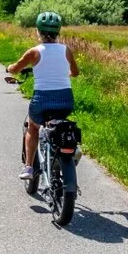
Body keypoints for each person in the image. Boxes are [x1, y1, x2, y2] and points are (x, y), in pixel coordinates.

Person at [6, 11, 79, 180]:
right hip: (66, 101)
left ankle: (29, 167)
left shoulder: (34, 52)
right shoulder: (66, 50)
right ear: (58, 32)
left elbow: (16, 68)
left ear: (38, 31)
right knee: (61, 123)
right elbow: (75, 72)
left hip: (42, 101)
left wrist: (9, 68)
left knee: (33, 126)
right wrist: (66, 73)